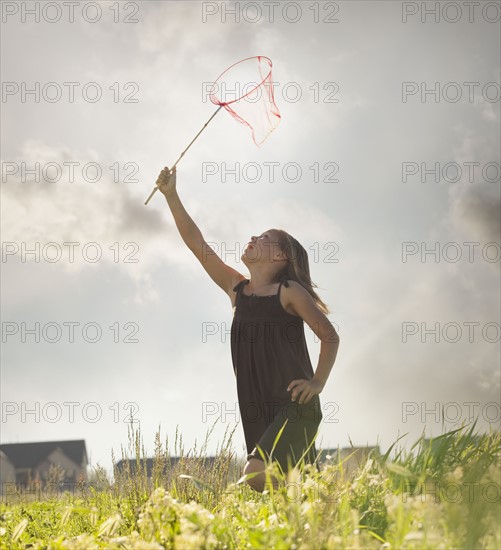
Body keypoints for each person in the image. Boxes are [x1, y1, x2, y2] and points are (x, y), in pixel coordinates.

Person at [155, 166, 340, 492]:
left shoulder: (288, 292)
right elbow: (196, 244)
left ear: (281, 255)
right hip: (256, 404)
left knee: (256, 473)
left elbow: (329, 335)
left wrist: (318, 382)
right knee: (296, 488)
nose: (254, 238)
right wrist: (171, 195)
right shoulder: (236, 289)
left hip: (295, 405)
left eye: (264, 238)